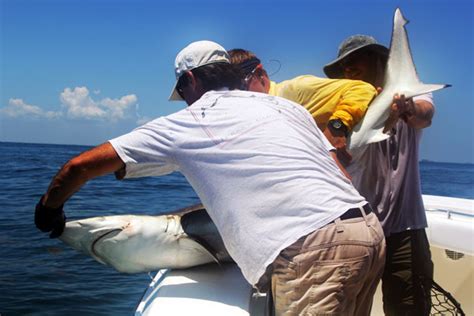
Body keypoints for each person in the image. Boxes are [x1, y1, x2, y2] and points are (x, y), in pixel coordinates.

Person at [35, 40, 385, 315]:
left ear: (190, 80)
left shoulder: (193, 119)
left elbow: (78, 167)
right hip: (367, 231)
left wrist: (50, 209)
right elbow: (339, 173)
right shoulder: (287, 108)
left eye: (182, 93)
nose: (183, 102)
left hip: (313, 249)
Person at [324, 34, 435, 316]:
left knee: (409, 309)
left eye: (354, 59)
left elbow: (426, 114)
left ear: (378, 60)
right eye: (342, 65)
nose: (348, 68)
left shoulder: (408, 92)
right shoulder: (338, 108)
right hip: (355, 230)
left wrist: (406, 109)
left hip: (404, 229)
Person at [229, 48, 377, 165]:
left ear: (261, 73)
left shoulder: (293, 90)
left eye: (242, 84)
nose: (239, 93)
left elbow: (361, 88)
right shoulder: (250, 118)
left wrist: (336, 128)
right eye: (231, 90)